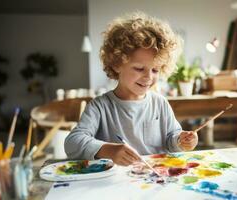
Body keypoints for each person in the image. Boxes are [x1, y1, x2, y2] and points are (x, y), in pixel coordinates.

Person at [64, 12, 198, 166]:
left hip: (155, 180)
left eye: (155, 70)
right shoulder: (100, 106)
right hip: (116, 183)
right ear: (117, 64)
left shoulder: (160, 103)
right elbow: (72, 143)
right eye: (139, 68)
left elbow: (171, 139)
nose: (148, 77)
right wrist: (108, 150)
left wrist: (181, 140)